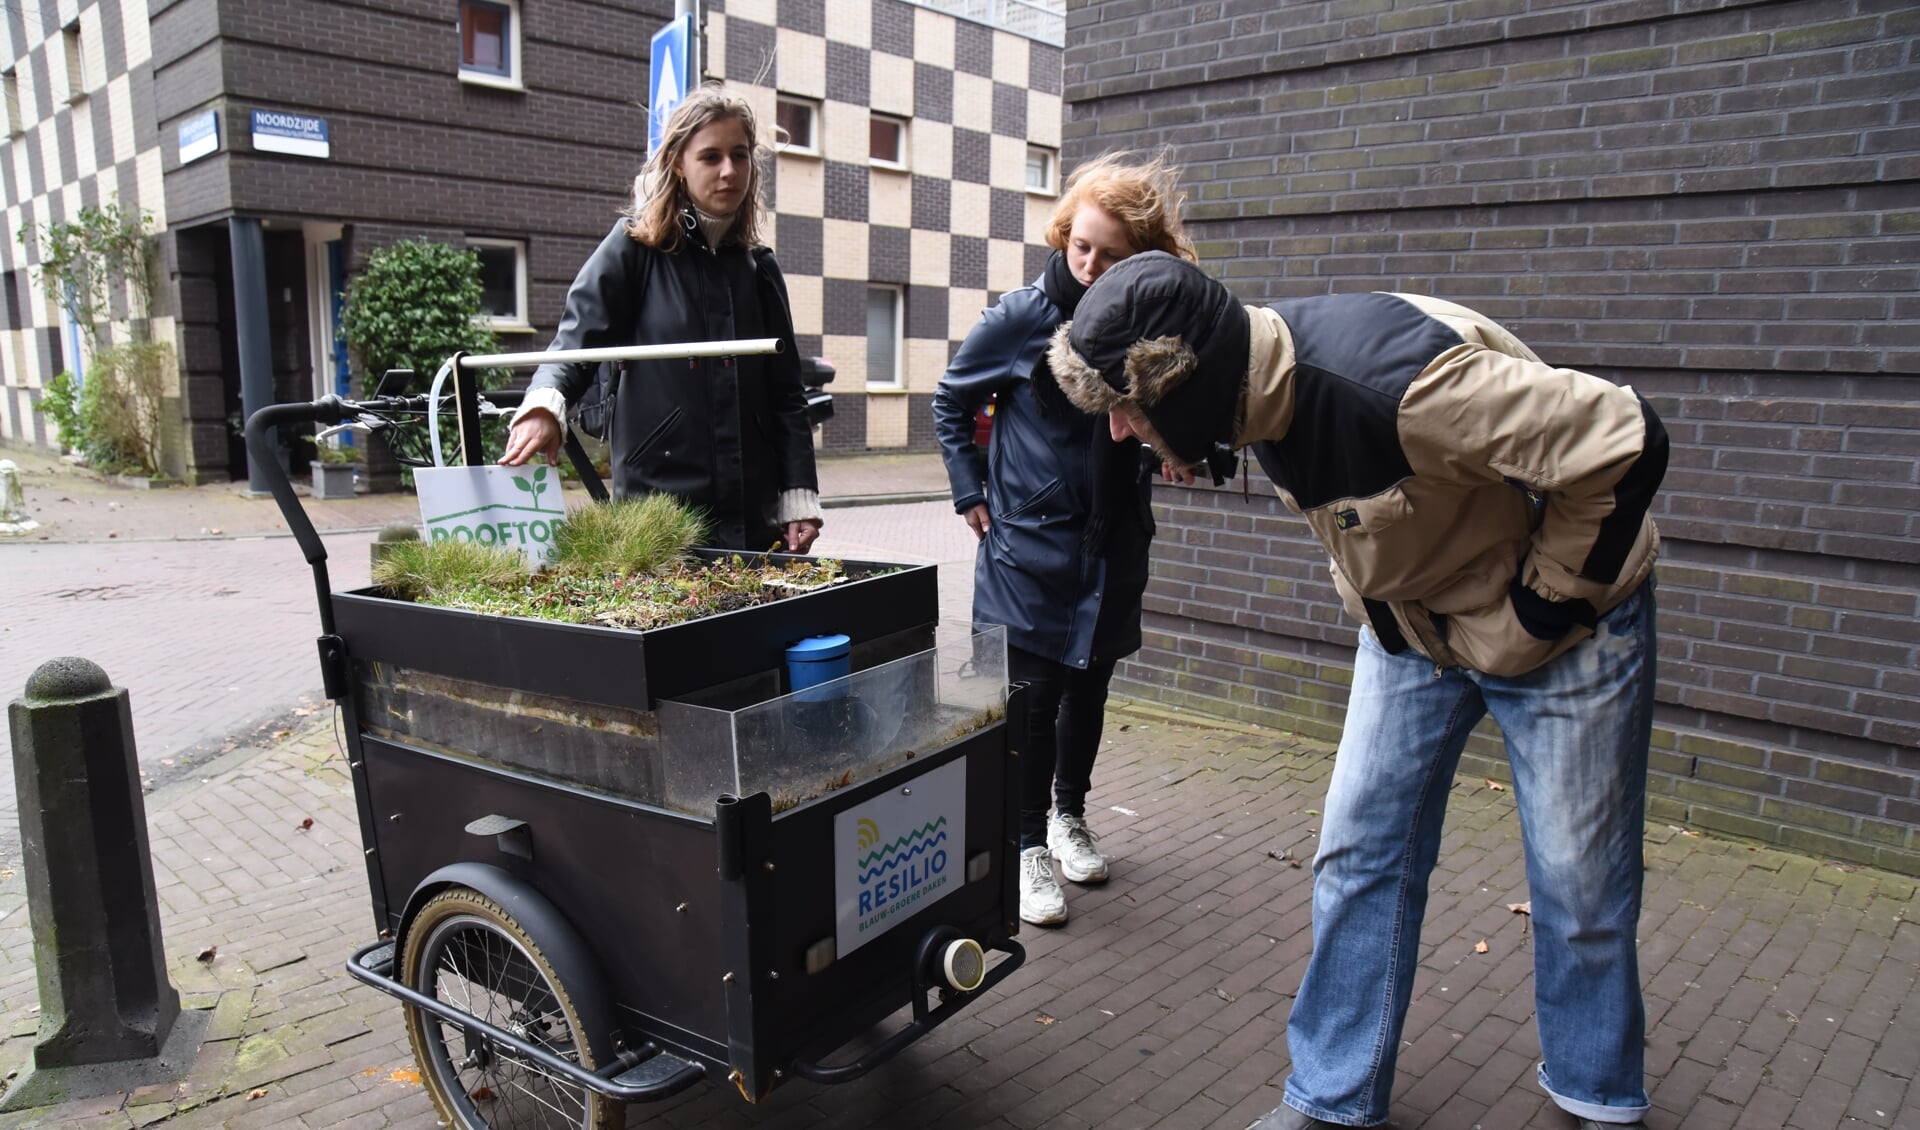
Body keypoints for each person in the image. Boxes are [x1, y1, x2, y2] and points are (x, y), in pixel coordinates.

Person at [1045, 251, 1669, 1130]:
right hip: (1418, 634)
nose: (1118, 432)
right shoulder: (1258, 389)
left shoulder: (1402, 386)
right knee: (1357, 856)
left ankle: (1597, 1097)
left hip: (1567, 632)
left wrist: (1540, 608)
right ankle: (1333, 1100)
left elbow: (1626, 438)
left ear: (1181, 387)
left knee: (1578, 885)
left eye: (1126, 410)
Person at [932, 152, 1202, 928]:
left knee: (1089, 691)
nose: (1088, 264)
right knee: (1029, 700)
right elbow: (952, 403)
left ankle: (1067, 817)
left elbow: (1170, 417)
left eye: (1109, 254)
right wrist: (968, 490)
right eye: (1079, 245)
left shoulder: (1151, 326)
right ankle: (1021, 846)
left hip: (1113, 544)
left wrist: (1174, 447)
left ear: (1140, 259)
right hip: (1028, 550)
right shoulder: (1022, 316)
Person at [502, 86, 822, 553]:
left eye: (739, 155)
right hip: (658, 515)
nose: (729, 171)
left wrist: (798, 496)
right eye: (710, 157)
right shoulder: (636, 248)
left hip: (754, 516)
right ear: (678, 162)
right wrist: (543, 402)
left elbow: (787, 396)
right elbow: (577, 337)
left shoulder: (760, 269)